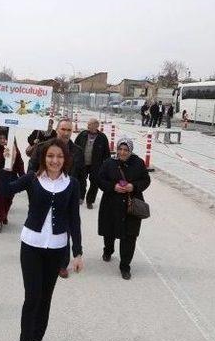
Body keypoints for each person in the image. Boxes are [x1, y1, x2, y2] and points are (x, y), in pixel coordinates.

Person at [0, 139, 83, 341]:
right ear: (43, 158)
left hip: (57, 248)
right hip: (31, 246)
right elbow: (4, 190)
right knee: (32, 296)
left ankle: (38, 339)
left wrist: (78, 252)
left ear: (65, 160)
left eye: (59, 157)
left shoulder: (72, 184)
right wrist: (8, 164)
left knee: (46, 297)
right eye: (50, 156)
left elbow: (74, 219)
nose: (55, 161)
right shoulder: (32, 179)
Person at [98, 138, 151, 280]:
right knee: (109, 231)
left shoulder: (138, 163)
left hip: (131, 206)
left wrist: (133, 186)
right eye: (120, 149)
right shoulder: (109, 163)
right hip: (111, 204)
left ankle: (125, 266)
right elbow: (100, 179)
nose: (122, 152)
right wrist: (112, 187)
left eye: (126, 150)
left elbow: (146, 180)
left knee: (130, 236)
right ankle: (108, 250)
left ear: (130, 150)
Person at [54, 118, 85, 279]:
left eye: (69, 130)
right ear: (57, 129)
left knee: (66, 229)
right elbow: (33, 169)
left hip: (68, 195)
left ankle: (62, 264)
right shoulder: (46, 147)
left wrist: (81, 195)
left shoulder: (77, 150)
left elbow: (81, 174)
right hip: (49, 193)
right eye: (63, 129)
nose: (66, 133)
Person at [74, 118, 111, 209]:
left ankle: (90, 200)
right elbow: (74, 147)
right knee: (81, 181)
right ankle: (80, 197)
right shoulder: (82, 135)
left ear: (96, 125)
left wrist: (106, 166)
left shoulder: (102, 137)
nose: (88, 125)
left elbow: (107, 153)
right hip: (82, 163)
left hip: (96, 165)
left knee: (95, 183)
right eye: (88, 124)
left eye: (90, 124)